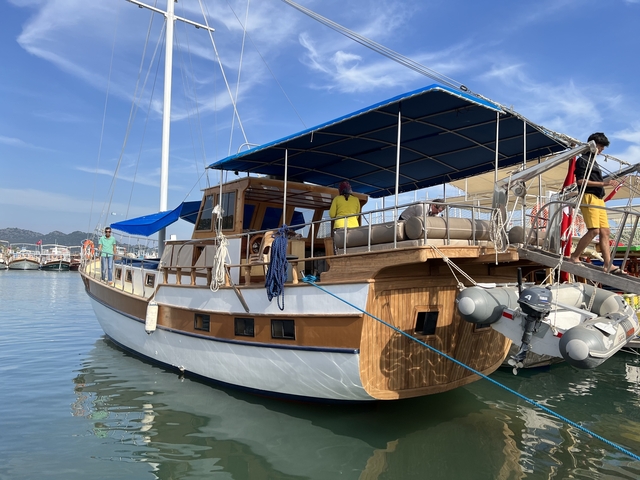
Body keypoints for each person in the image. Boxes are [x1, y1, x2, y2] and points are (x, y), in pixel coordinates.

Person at [568, 133, 621, 274]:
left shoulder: (594, 161)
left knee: (605, 231)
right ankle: (574, 257)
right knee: (594, 230)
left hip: (599, 198)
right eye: (600, 147)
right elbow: (580, 181)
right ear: (593, 144)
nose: (602, 150)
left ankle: (608, 264)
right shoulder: (583, 160)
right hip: (589, 196)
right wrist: (604, 183)